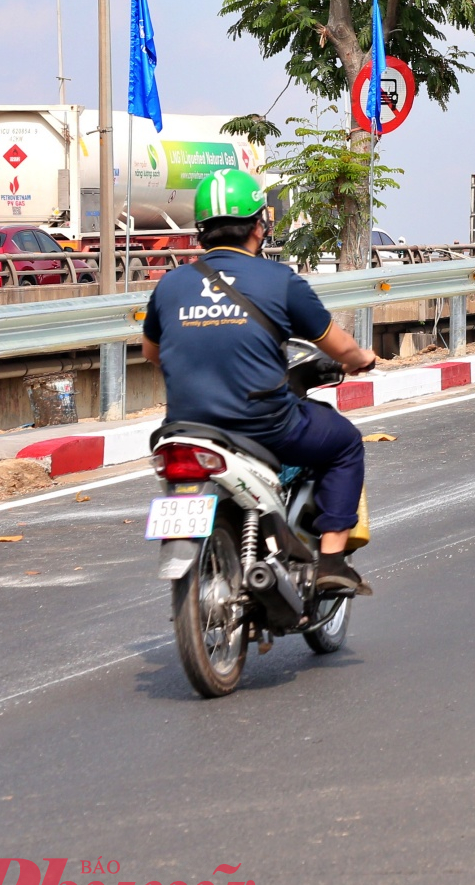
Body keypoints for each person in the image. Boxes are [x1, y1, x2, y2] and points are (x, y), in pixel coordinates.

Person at [141, 169, 377, 594]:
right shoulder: (279, 280)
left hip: (186, 427)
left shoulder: (170, 284)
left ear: (201, 232)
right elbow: (340, 347)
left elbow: (152, 354)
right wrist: (363, 359)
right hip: (264, 423)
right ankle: (332, 561)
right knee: (344, 443)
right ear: (259, 227)